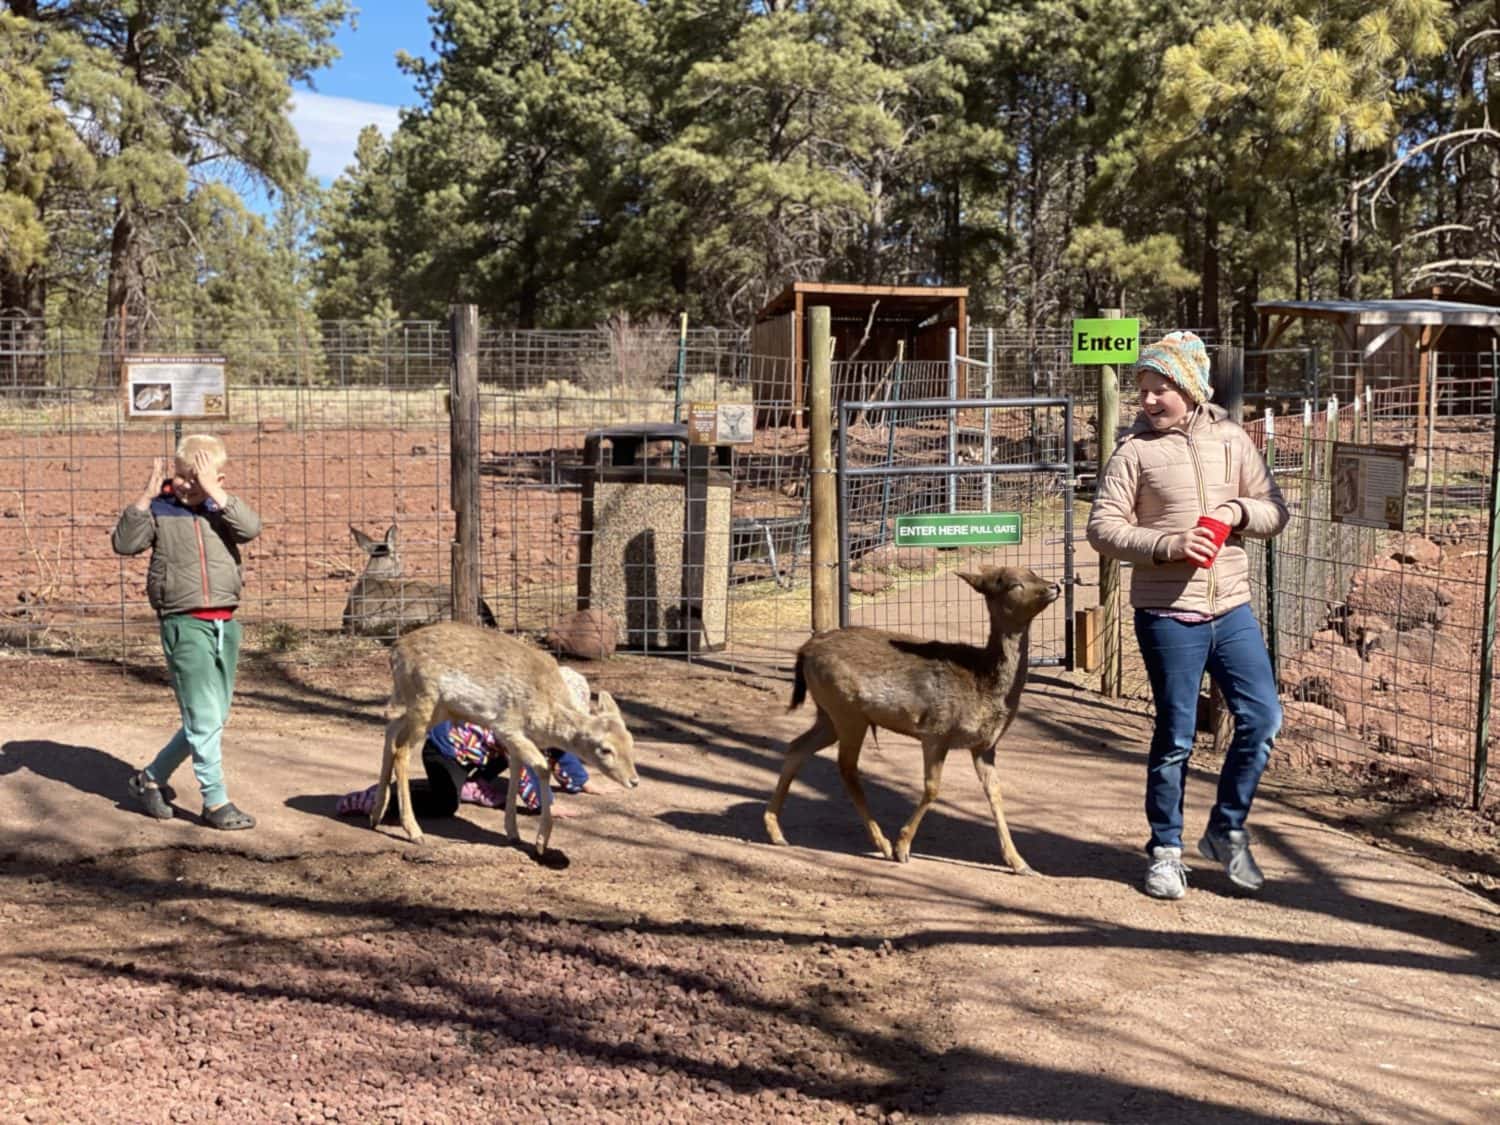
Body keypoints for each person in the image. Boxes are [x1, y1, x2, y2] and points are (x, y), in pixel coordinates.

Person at [1086, 331, 1289, 899]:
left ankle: (1225, 829)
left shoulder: (1231, 440)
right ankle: (1165, 851)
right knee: (1176, 735)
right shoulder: (1134, 453)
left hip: (1231, 607)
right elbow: (1103, 529)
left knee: (1263, 720)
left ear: (1191, 388)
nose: (1148, 401)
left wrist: (1236, 510)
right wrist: (1169, 545)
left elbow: (1275, 509)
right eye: (1143, 390)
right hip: (1167, 612)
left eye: (1160, 389)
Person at [113, 434, 263, 830]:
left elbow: (251, 528)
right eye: (182, 476)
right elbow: (125, 544)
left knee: (212, 717)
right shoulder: (161, 510)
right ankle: (215, 803)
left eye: (198, 477)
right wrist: (145, 498)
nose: (188, 485)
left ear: (218, 477)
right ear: (171, 474)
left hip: (225, 624)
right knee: (203, 716)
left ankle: (148, 780)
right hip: (183, 621)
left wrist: (216, 492)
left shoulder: (222, 510)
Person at [335, 722, 593, 821]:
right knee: (443, 804)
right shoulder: (519, 719)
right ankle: (378, 799)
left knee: (531, 748)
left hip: (483, 752)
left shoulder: (548, 722)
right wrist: (545, 804)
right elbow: (521, 762)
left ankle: (476, 785)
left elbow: (559, 745)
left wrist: (581, 782)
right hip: (447, 752)